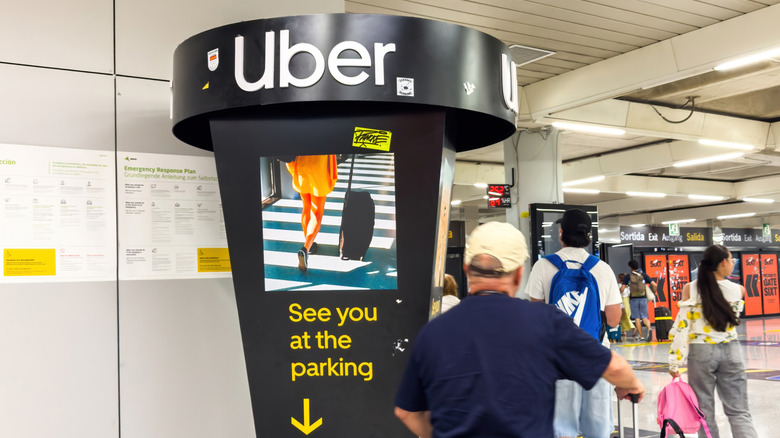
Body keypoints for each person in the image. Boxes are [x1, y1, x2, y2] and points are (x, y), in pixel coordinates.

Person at [394, 221, 645, 438]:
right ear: (518, 275)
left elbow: (406, 411)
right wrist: (630, 384)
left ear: (468, 271)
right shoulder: (544, 321)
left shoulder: (433, 332)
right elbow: (614, 367)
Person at [525, 208, 623, 438]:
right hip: (595, 356)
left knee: (560, 429)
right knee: (597, 429)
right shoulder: (603, 268)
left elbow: (536, 315)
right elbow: (613, 318)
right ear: (589, 235)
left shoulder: (543, 266)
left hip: (556, 359)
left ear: (561, 233)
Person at [668, 244, 758, 438]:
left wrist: (675, 361)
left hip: (701, 352)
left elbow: (681, 327)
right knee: (739, 411)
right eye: (732, 259)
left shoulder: (690, 289)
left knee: (704, 411)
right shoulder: (738, 290)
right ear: (723, 262)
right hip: (731, 350)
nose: (733, 263)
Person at [285, 155, 338, 273]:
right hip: (319, 167)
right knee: (317, 212)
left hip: (302, 165)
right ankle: (306, 248)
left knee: (306, 207)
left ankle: (310, 244)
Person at [620, 260, 658, 342]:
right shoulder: (643, 275)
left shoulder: (628, 276)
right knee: (644, 317)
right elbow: (654, 284)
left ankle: (641, 337)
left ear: (630, 267)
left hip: (633, 299)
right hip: (643, 298)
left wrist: (619, 293)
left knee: (637, 318)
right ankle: (649, 328)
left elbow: (622, 288)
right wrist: (654, 292)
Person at [617, 273, 636, 339]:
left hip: (622, 301)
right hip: (627, 300)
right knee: (624, 316)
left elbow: (620, 292)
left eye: (618, 278)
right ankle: (623, 330)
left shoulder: (620, 285)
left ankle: (633, 327)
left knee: (624, 316)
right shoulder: (628, 286)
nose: (617, 279)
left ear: (620, 279)